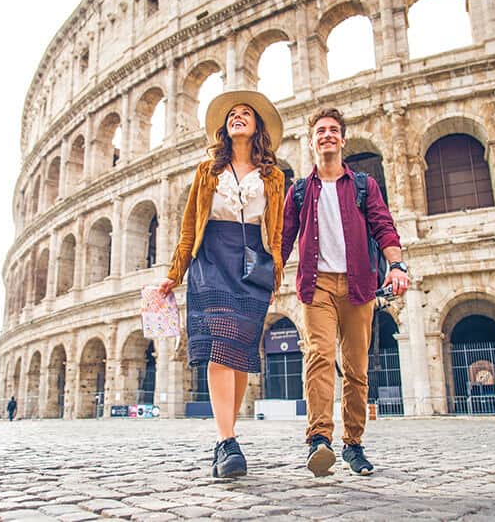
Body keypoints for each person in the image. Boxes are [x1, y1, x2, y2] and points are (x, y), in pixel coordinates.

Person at [158, 90, 285, 479]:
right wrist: (173, 274)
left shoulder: (274, 176)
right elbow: (188, 227)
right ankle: (227, 440)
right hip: (211, 258)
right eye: (232, 114)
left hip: (252, 265)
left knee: (242, 350)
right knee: (219, 347)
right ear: (224, 128)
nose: (238, 117)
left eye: (245, 113)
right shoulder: (206, 171)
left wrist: (276, 272)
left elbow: (276, 232)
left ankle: (226, 439)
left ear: (257, 126)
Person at [281, 107, 410, 477]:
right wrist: (271, 276)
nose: (327, 135)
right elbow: (285, 239)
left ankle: (354, 444)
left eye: (333, 130)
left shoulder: (365, 186)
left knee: (356, 370)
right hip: (316, 283)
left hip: (358, 285)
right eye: (320, 130)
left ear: (342, 138)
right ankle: (319, 440)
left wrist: (396, 265)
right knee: (319, 355)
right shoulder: (301, 190)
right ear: (311, 141)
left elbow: (385, 227)